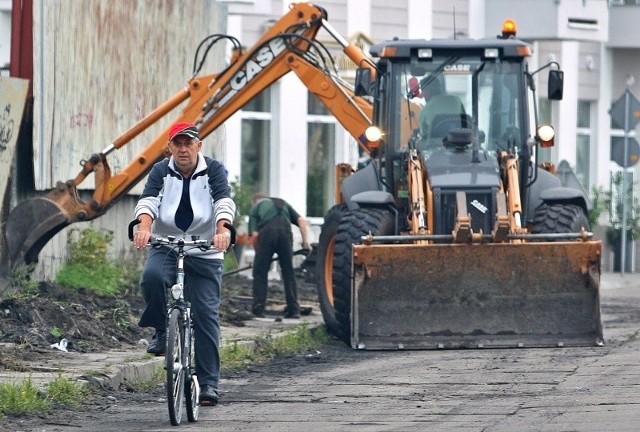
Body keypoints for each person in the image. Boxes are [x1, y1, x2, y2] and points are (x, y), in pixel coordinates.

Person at [132, 121, 235, 406]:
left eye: (188, 143)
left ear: (198, 146)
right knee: (151, 277)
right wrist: (144, 227)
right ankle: (162, 330)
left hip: (204, 249)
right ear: (170, 147)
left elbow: (223, 200)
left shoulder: (213, 169)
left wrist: (223, 230)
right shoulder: (160, 170)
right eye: (177, 143)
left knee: (205, 314)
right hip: (167, 244)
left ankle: (209, 384)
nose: (183, 148)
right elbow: (149, 201)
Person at [248, 193, 311, 318]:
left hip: (267, 234)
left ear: (255, 201)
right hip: (286, 234)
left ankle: (258, 309)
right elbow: (301, 221)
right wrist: (305, 243)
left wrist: (259, 256)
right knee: (288, 272)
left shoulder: (256, 207)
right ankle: (294, 310)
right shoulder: (283, 203)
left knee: (260, 272)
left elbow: (254, 235)